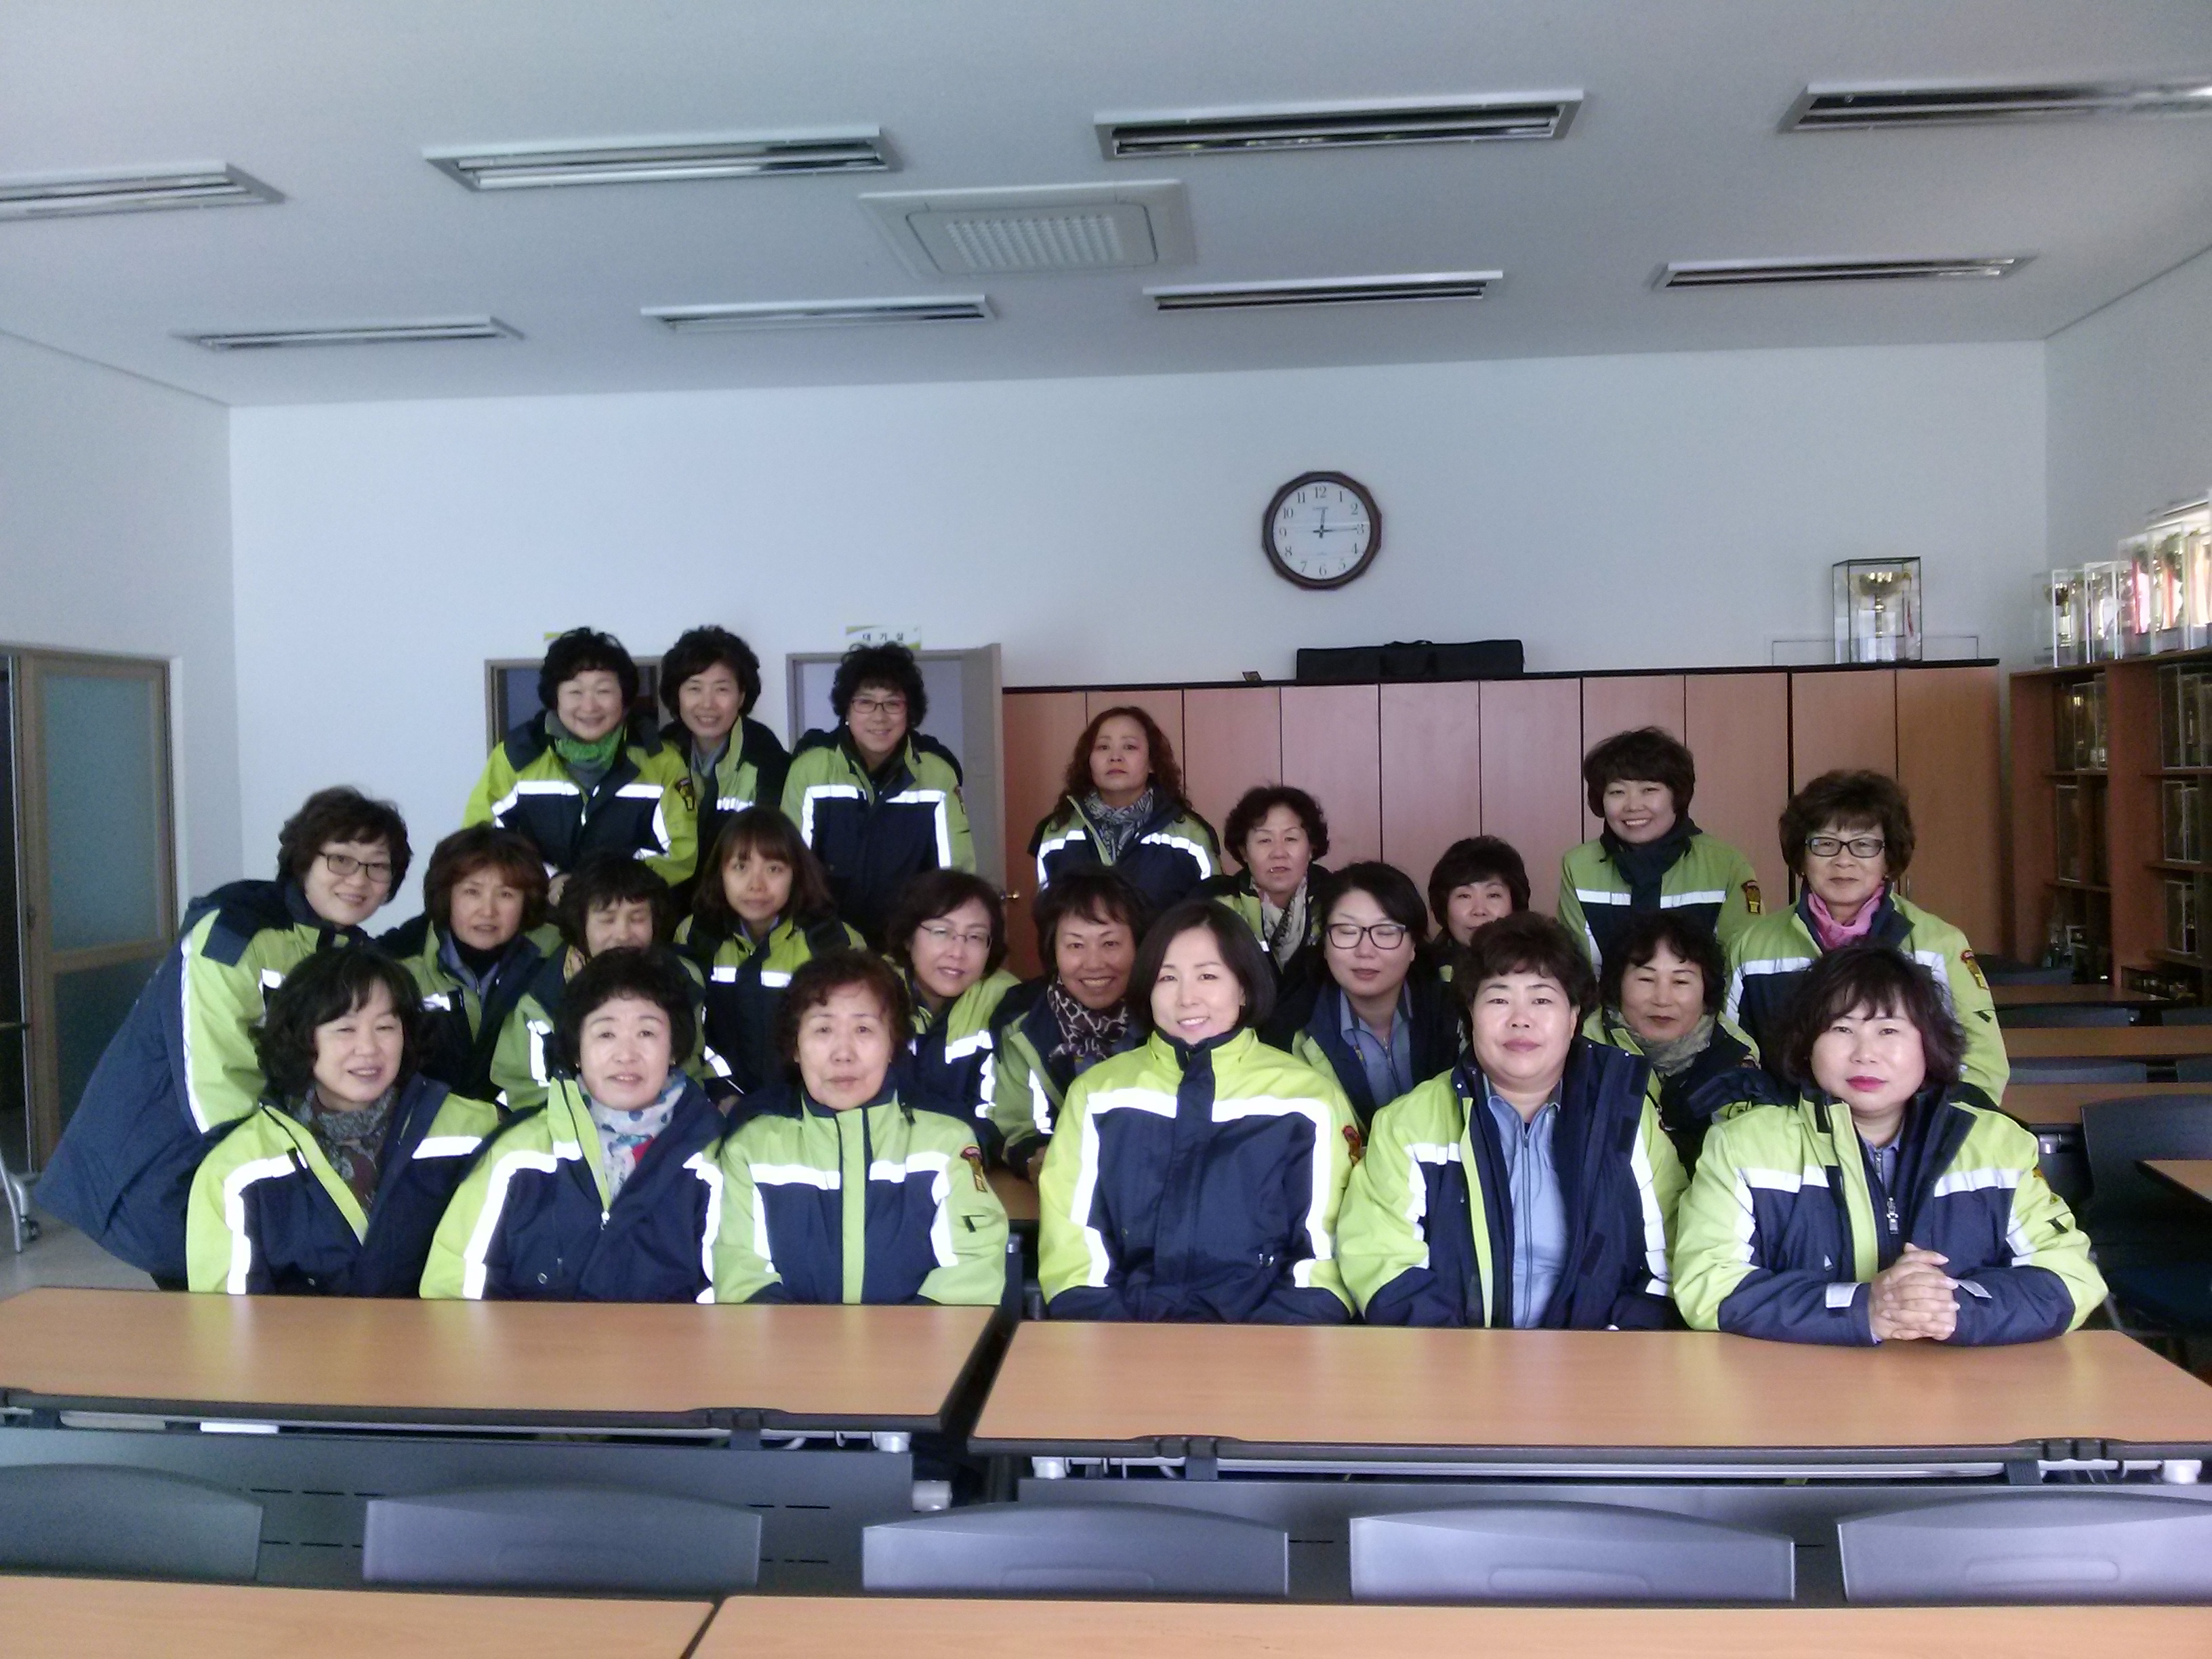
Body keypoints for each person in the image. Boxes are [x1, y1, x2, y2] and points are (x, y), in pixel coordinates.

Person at [39, 786, 410, 1283]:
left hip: (243, 1157)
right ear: (303, 860)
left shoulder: (344, 950)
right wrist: (293, 1187)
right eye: (340, 860)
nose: (358, 880)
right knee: (218, 1302)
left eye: (377, 867)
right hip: (167, 1157)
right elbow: (216, 1087)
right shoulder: (234, 933)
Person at [1675, 945, 2103, 1345]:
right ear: (1807, 1046)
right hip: (1798, 1383)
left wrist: (1952, 1306)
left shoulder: (1996, 1144)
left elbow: (2073, 1277)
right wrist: (1862, 1307)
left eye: (1888, 1030)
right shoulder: (1742, 1145)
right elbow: (1706, 1285)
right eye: (1842, 1028)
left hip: (1960, 1385)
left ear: (1928, 1045)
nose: (1865, 1054)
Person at [1338, 912, 1687, 1329]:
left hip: (1601, 1357)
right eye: (1499, 999)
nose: (1520, 1018)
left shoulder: (1624, 1118)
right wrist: (1467, 1358)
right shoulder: (1408, 1124)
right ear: (1471, 1013)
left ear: (1573, 1018)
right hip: (1449, 1358)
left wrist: (1601, 1352)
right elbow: (1382, 1262)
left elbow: (1667, 1263)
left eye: (1542, 1000)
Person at [1038, 899, 1357, 1323]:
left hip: (1271, 1340)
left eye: (1208, 976)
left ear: (1243, 987)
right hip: (1124, 1336)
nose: (1187, 998)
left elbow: (1323, 1258)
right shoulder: (1099, 1095)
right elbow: (1073, 1247)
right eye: (1167, 978)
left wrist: (1269, 1345)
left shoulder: (1308, 1098)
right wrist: (1115, 1339)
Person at [186, 949, 497, 1296]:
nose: (368, 1048)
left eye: (385, 1027)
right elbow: (225, 1318)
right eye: (345, 1029)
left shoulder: (475, 1133)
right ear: (302, 1037)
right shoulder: (238, 1170)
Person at [422, 947, 726, 1301]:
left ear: (674, 1048)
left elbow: (728, 1297)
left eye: (646, 1033)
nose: (626, 1054)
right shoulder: (518, 1155)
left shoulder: (712, 1157)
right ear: (577, 1050)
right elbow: (454, 1284)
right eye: (606, 1034)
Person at [715, 953, 1008, 1304]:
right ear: (795, 1047)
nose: (843, 1053)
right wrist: (796, 1339)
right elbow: (739, 1269)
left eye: (864, 1030)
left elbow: (974, 1263)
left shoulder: (948, 1143)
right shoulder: (752, 1147)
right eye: (823, 1030)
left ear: (893, 1044)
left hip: (920, 1340)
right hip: (784, 1340)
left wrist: (908, 1337)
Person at [1725, 770, 2006, 1109]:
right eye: (1825, 844)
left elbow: (1980, 1068)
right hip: (1783, 1134)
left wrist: (1926, 1133)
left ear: (1889, 860)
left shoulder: (1938, 945)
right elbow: (1729, 1061)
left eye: (1864, 845)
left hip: (1912, 1135)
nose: (1843, 861)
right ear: (1801, 857)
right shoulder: (1752, 948)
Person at [463, 627, 697, 893]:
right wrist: (550, 880)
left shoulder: (660, 761)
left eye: (603, 691)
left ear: (624, 697)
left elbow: (680, 853)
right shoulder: (516, 757)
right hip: (539, 909)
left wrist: (601, 889)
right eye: (575, 692)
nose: (589, 707)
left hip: (626, 910)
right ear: (555, 698)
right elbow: (482, 840)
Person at [781, 642, 973, 945]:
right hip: (826, 946)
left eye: (892, 703)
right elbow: (791, 872)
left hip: (908, 947)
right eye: (865, 702)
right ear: (847, 709)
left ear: (909, 712)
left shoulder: (937, 776)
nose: (879, 717)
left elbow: (954, 880)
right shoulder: (810, 771)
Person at [676, 808, 861, 1100]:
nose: (756, 885)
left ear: (796, 874)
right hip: (717, 1101)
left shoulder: (832, 943)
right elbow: (687, 1035)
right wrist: (721, 1092)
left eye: (774, 869)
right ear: (720, 873)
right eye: (740, 867)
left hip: (810, 1103)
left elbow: (855, 1036)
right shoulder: (695, 936)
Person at [1262, 863, 1463, 1130]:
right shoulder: (1290, 1033)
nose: (1365, 951)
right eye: (1347, 932)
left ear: (1413, 946)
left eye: (1385, 932)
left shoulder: (1457, 1010)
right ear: (1325, 945)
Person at [498, 851, 691, 1112]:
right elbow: (526, 1091)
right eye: (607, 920)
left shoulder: (686, 980)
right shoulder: (541, 1001)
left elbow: (693, 1070)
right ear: (581, 926)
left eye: (637, 919)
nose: (623, 934)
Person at [987, 868, 1147, 1181]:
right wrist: (1035, 1157)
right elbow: (1018, 1127)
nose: (1094, 963)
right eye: (1076, 945)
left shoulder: (1165, 1018)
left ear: (1138, 947)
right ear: (1054, 952)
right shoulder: (1023, 1024)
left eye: (1110, 943)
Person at [1555, 727, 1761, 971]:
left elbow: (1740, 970)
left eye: (1649, 790)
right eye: (1617, 792)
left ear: (1677, 795)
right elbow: (1574, 971)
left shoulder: (1726, 865)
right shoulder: (1579, 866)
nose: (1633, 806)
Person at [1587, 911, 1778, 1169]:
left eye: (1680, 981)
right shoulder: (1585, 1056)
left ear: (1706, 991)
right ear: (1617, 985)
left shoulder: (1736, 1061)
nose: (1662, 999)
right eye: (1646, 979)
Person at [380, 825, 555, 1106]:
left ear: (527, 901)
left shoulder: (557, 957)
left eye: (506, 894)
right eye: (472, 892)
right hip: (422, 1122)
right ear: (447, 895)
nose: (488, 911)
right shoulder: (398, 963)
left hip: (527, 1123)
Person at [1031, 707, 1218, 912]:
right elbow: (1048, 918)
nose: (1115, 757)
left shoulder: (1190, 835)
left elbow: (1217, 917)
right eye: (1103, 747)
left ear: (1152, 762)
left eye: (1129, 747)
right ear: (1088, 761)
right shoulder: (1058, 833)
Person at [885, 870, 1023, 1144]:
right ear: (909, 937)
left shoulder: (1007, 999)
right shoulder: (871, 992)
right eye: (941, 932)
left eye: (975, 937)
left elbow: (1006, 1118)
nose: (957, 952)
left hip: (972, 1157)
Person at [659, 625, 790, 893]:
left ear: (741, 696)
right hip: (667, 905)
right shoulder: (658, 754)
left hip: (742, 903)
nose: (707, 704)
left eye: (721, 689)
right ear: (677, 695)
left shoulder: (769, 763)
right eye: (694, 688)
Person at [1198, 785, 1330, 987]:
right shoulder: (1215, 906)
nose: (1279, 853)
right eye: (1265, 840)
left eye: (1291, 839)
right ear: (1244, 851)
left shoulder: (1335, 901)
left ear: (1311, 848)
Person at [1428, 836, 1530, 949]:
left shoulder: (1540, 958)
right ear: (1444, 906)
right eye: (1465, 896)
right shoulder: (1420, 959)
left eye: (1493, 895)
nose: (1479, 911)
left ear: (1515, 904)